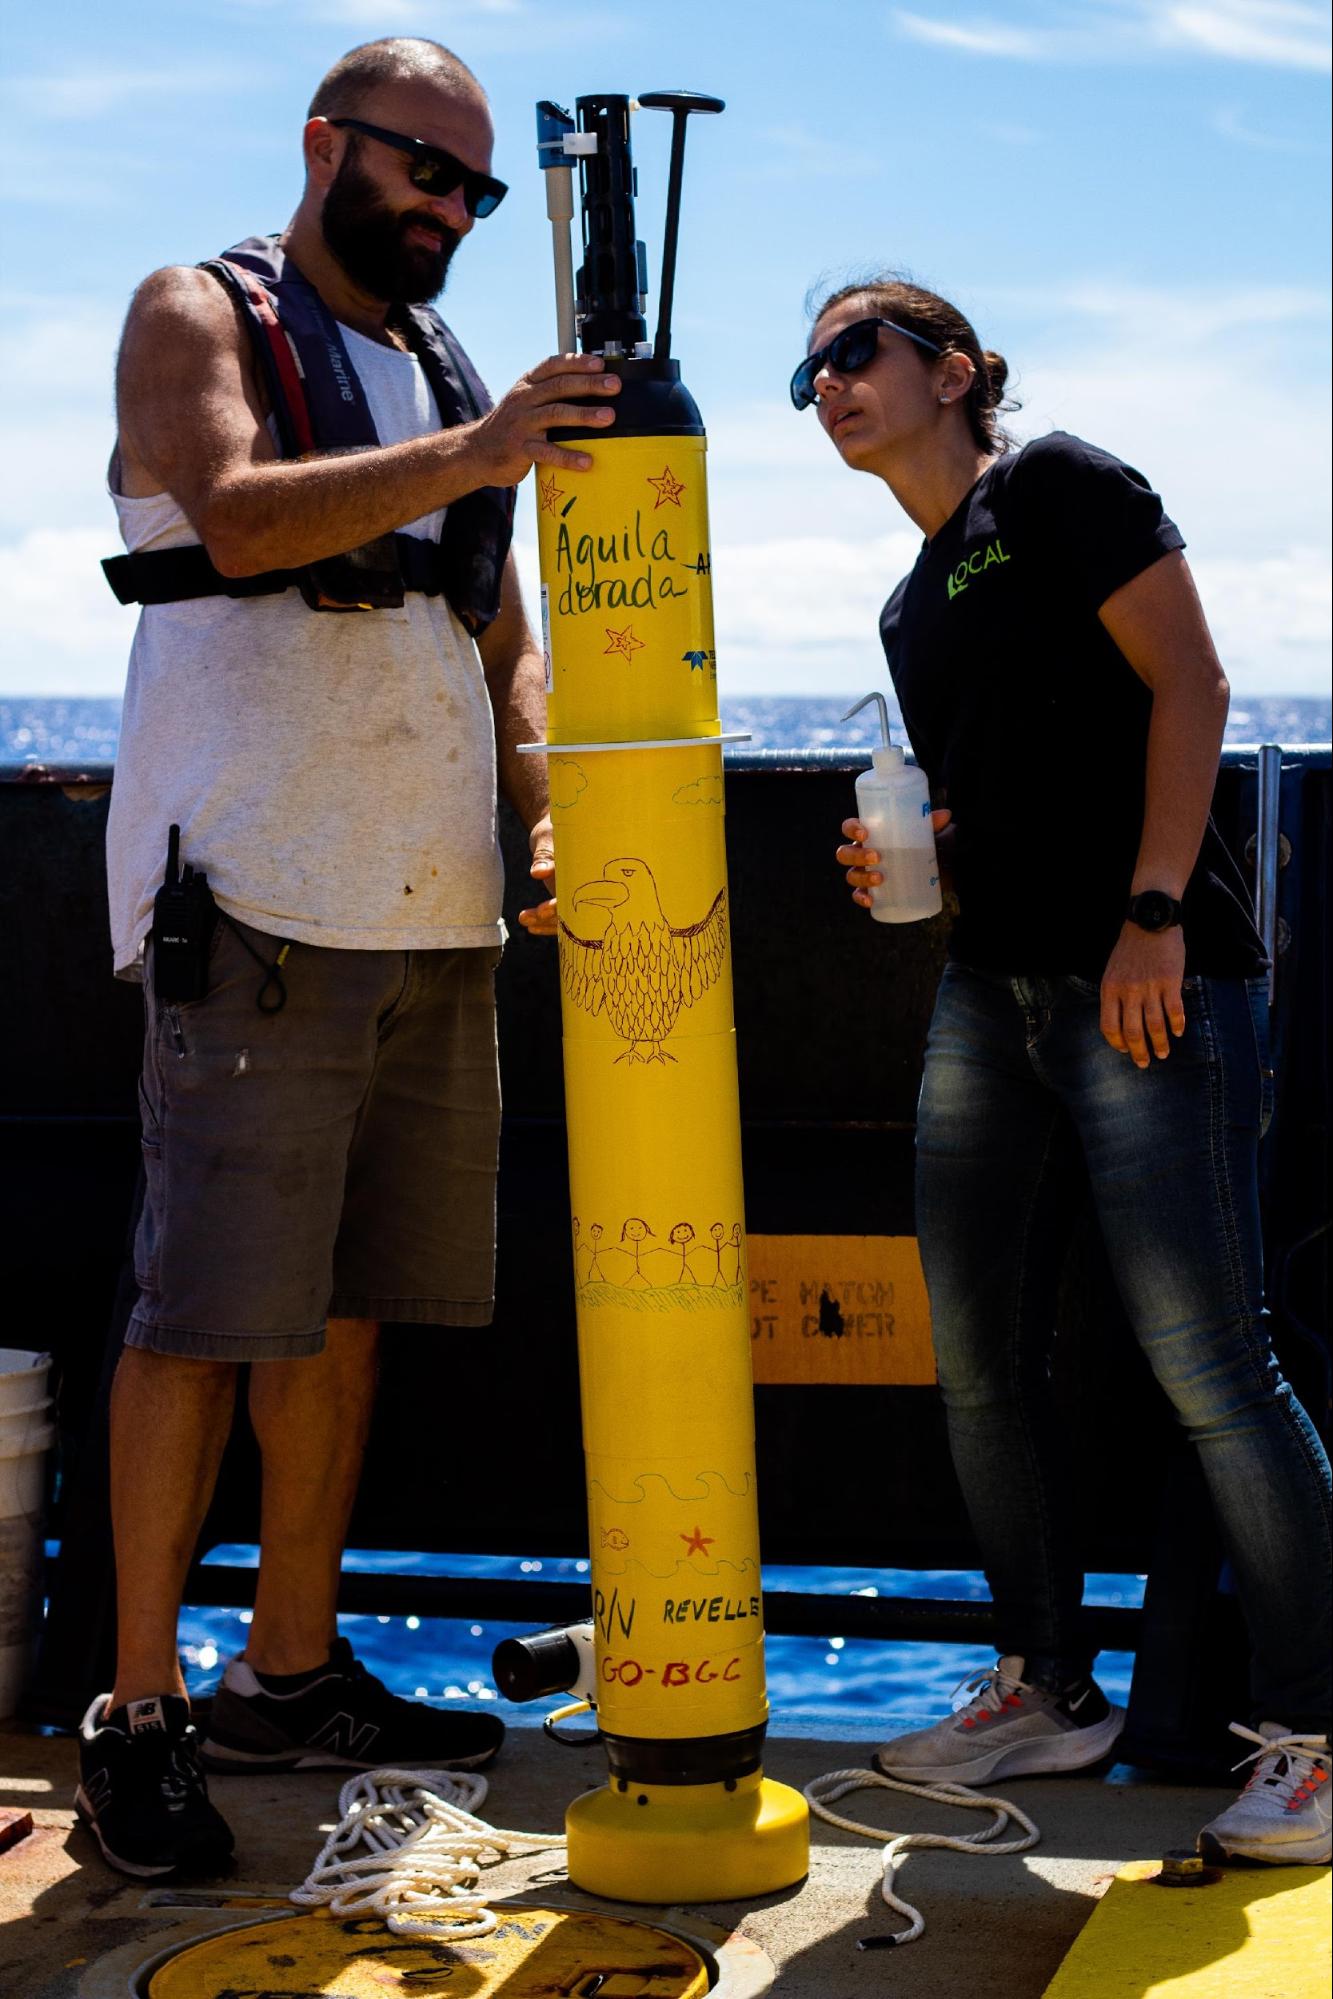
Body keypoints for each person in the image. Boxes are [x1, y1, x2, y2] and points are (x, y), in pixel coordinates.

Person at [78, 37, 622, 1880]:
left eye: (472, 189)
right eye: (424, 174)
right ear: (328, 142)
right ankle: (138, 1709)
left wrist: (538, 813)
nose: (451, 212)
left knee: (347, 1311)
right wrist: (481, 449)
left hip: (424, 909)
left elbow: (503, 637)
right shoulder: (195, 308)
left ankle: (289, 1672)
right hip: (249, 897)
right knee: (199, 1319)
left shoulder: (440, 365)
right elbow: (232, 514)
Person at [795, 274, 1331, 1865]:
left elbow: (1194, 685)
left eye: (851, 350)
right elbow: (993, 799)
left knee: (1209, 1363)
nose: (824, 382)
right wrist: (910, 855)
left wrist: (1155, 913)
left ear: (952, 367)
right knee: (972, 1356)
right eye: (804, 370)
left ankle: (1313, 1737)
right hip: (991, 988)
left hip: (1144, 984)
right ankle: (1045, 1683)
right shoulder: (910, 602)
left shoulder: (1062, 486)